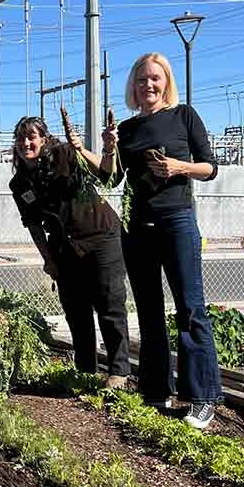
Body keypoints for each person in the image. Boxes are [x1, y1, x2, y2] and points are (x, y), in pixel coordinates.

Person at [80, 52, 223, 429]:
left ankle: (202, 397)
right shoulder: (126, 129)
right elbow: (112, 180)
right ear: (133, 85)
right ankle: (156, 390)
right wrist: (105, 149)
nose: (148, 85)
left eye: (155, 78)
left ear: (166, 82)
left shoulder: (184, 116)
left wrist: (180, 167)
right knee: (149, 311)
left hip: (177, 220)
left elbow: (210, 167)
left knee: (190, 308)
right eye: (142, 79)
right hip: (138, 227)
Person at [8, 116, 131, 386]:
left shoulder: (66, 154)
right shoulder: (20, 184)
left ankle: (119, 371)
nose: (26, 143)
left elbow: (107, 175)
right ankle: (86, 370)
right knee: (76, 309)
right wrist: (48, 260)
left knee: (109, 303)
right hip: (64, 245)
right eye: (20, 138)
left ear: (43, 138)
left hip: (101, 235)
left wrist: (96, 149)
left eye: (31, 137)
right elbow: (34, 225)